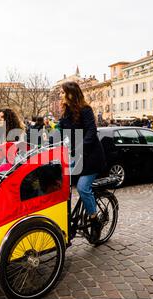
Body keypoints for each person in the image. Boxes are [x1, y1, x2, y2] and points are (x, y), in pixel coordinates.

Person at [58, 81, 106, 244]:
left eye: (62, 92)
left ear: (71, 94)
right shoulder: (65, 113)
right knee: (61, 187)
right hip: (75, 157)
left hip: (91, 157)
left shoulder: (85, 110)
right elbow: (58, 133)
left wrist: (79, 148)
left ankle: (95, 221)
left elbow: (91, 132)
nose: (60, 95)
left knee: (83, 188)